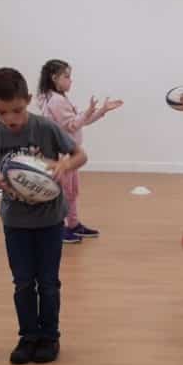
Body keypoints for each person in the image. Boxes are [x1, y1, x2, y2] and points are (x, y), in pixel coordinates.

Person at [0, 68, 87, 365]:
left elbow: (80, 155)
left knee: (48, 282)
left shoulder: (45, 128)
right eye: (2, 112)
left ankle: (49, 336)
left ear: (29, 100)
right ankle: (28, 337)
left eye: (18, 110)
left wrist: (64, 167)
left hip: (49, 221)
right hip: (15, 223)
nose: (11, 118)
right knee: (23, 282)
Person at [36, 59, 123, 243]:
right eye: (66, 77)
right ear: (54, 78)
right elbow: (72, 124)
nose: (70, 81)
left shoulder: (57, 98)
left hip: (69, 153)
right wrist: (90, 111)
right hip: (63, 154)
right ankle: (62, 227)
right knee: (64, 192)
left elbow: (77, 122)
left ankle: (73, 224)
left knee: (72, 191)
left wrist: (100, 111)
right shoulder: (56, 101)